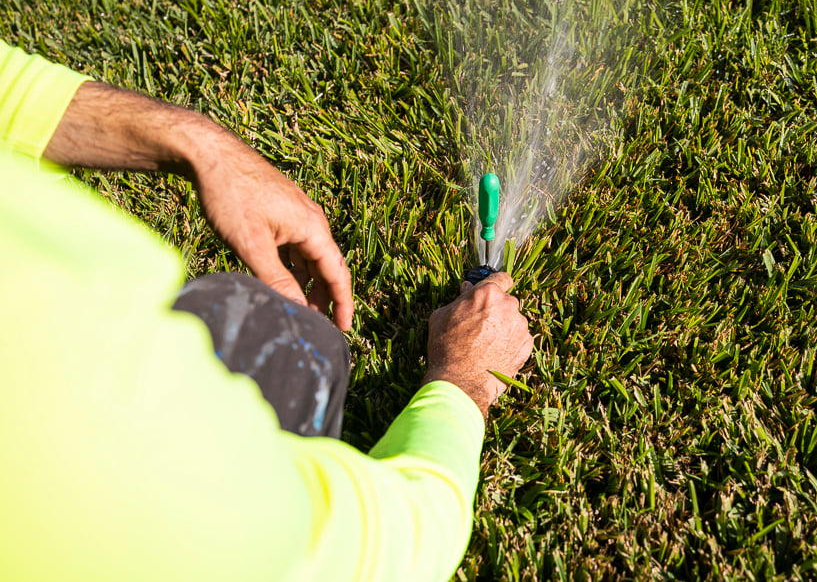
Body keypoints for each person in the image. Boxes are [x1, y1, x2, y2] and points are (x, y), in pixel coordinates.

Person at [0, 29, 532, 579]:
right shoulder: (113, 440)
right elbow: (392, 546)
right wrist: (463, 380)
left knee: (251, 316)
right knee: (302, 348)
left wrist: (197, 143)